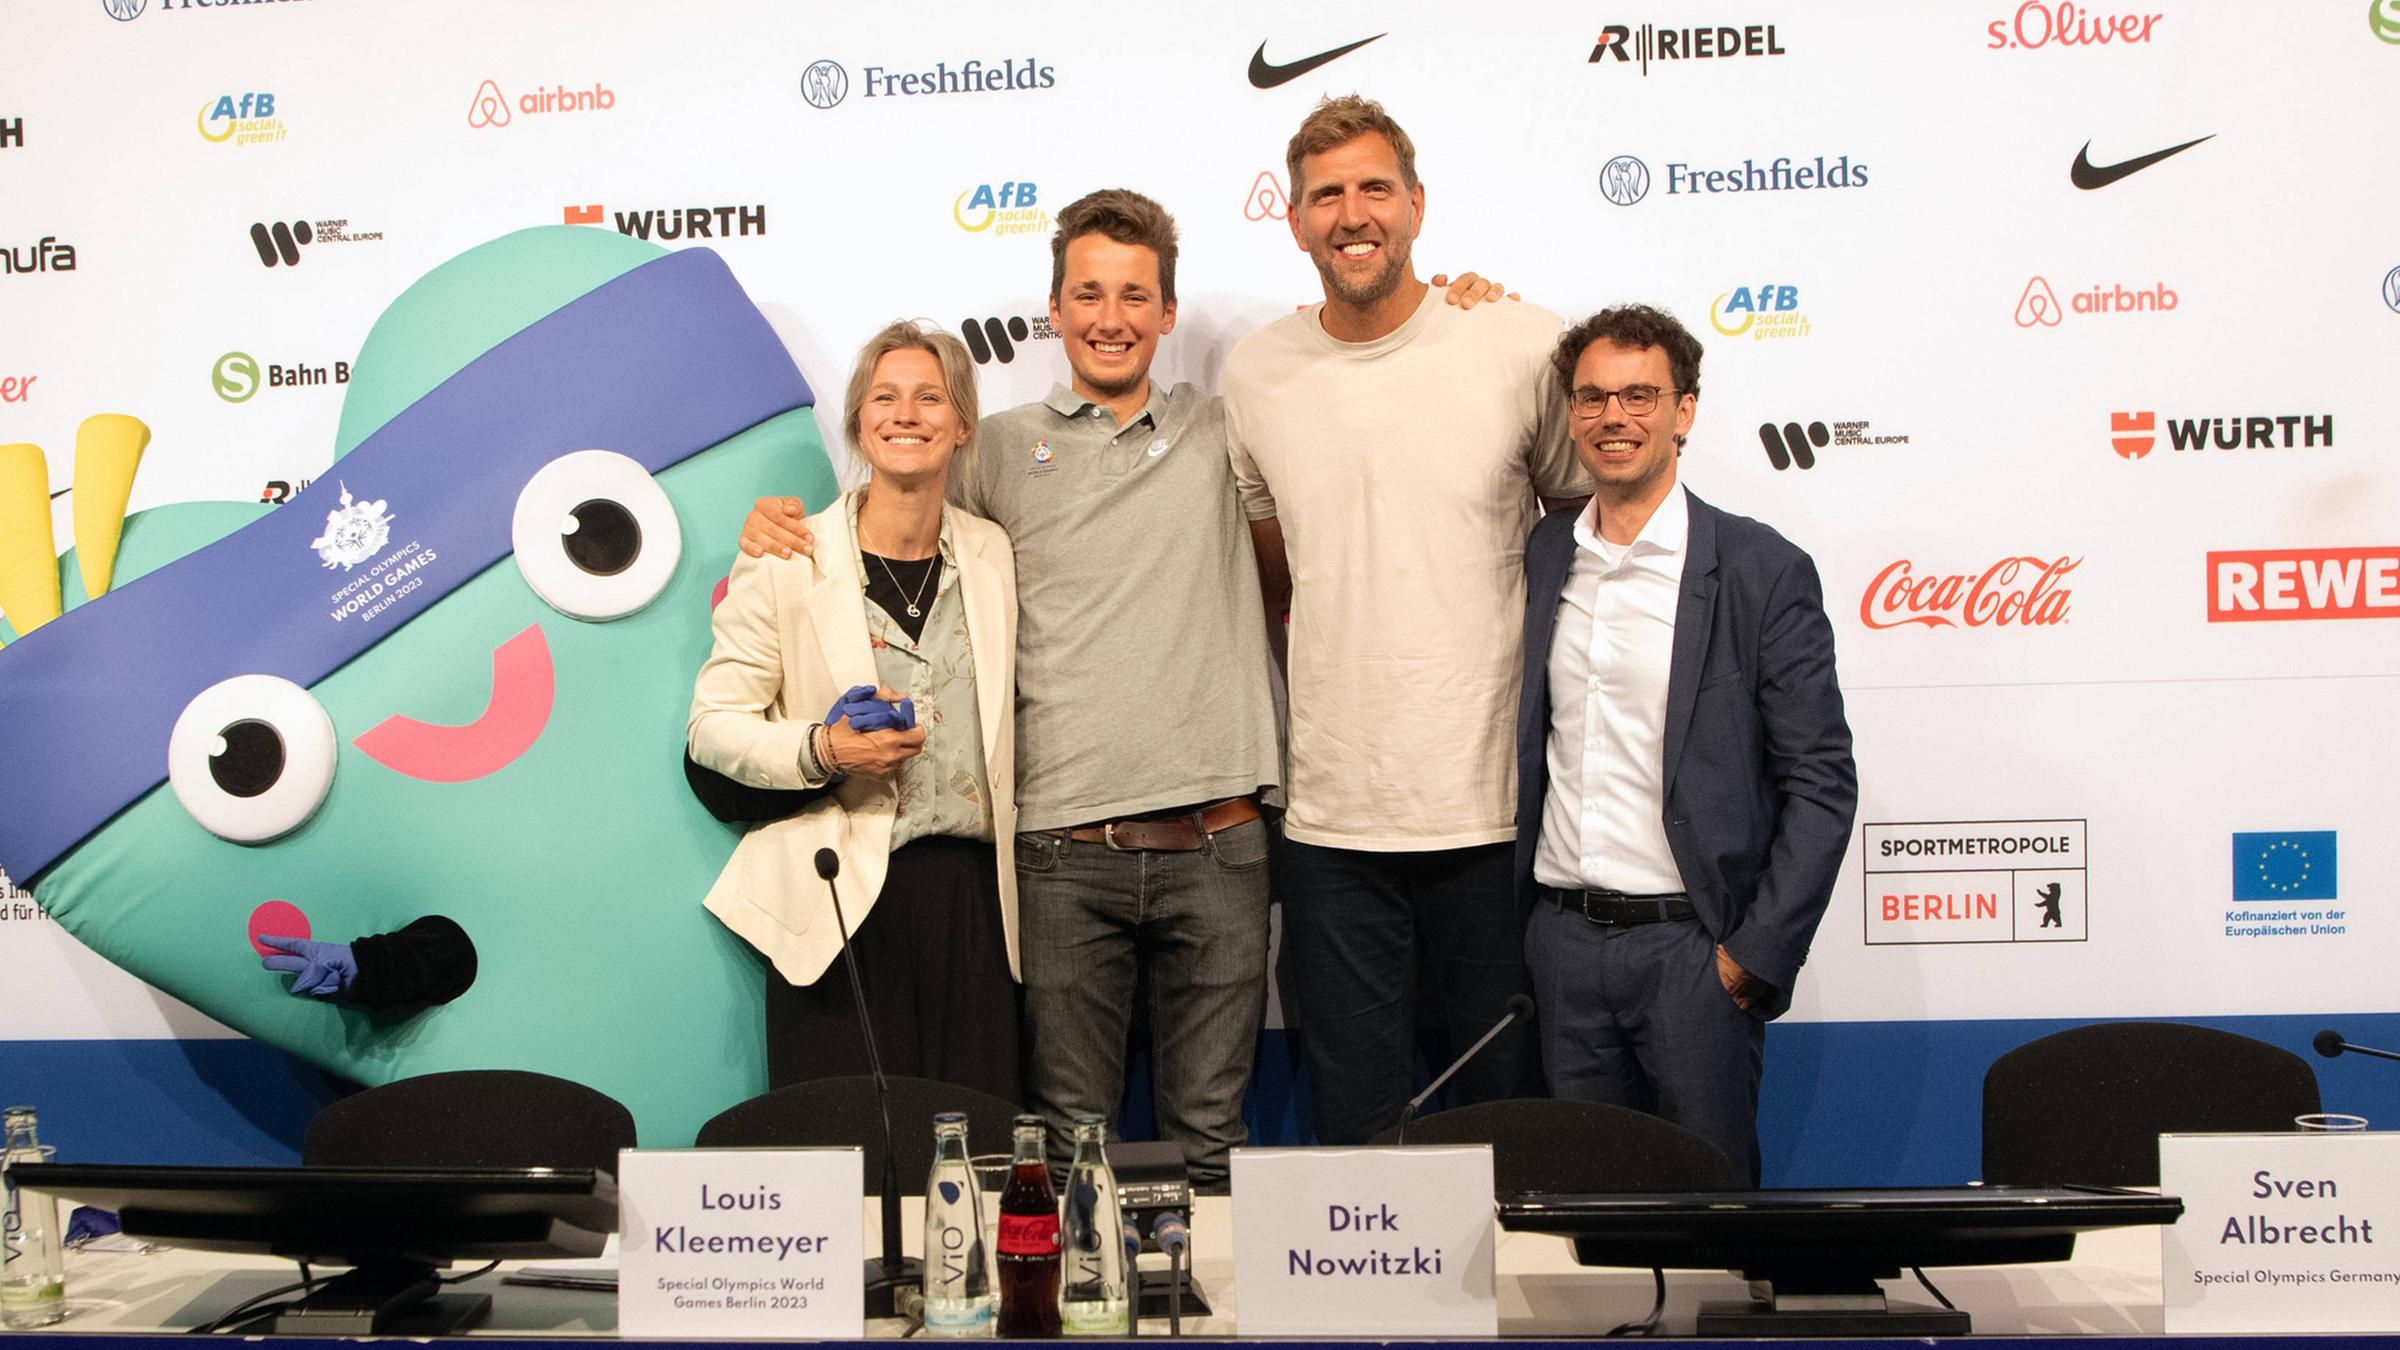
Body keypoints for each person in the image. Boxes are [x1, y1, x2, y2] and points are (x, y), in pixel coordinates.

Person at [734, 193, 1513, 1183]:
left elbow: (1373, 397)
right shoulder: (1000, 448)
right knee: (1068, 1153)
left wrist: (1458, 317)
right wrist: (777, 524)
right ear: (1054, 311)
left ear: (1168, 312)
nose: (1112, 316)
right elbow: (891, 507)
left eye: (1135, 295)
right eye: (1089, 294)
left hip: (1222, 845)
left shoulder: (1237, 428)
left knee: (1213, 1147)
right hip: (1062, 855)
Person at [1220, 95, 1589, 1144]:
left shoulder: (1519, 342)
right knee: (1358, 1134)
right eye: (1325, 194)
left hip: (1493, 812)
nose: (1352, 213)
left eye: (1374, 187)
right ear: (1293, 221)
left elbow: (1583, 536)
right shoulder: (1256, 372)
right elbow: (1273, 572)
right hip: (1332, 821)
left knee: (1508, 1120)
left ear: (1417, 205)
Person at [1514, 304, 1855, 1187]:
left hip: (1690, 955)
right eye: (1591, 398)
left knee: (1712, 1221)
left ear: (1685, 410)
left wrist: (1750, 957)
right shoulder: (1547, 554)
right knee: (1583, 1223)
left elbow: (1820, 781)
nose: (1613, 418)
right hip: (1563, 945)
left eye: (1639, 396)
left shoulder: (1757, 569)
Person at [688, 320, 1021, 1104]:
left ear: (962, 424)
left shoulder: (994, 553)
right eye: (885, 396)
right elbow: (711, 726)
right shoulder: (787, 554)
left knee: (973, 1158)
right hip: (836, 900)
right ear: (858, 423)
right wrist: (823, 750)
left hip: (976, 908)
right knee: (846, 1163)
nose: (907, 413)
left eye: (929, 397)